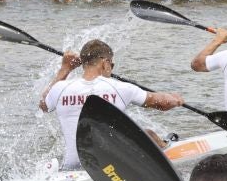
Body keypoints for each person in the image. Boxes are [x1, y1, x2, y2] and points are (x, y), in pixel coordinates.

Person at [39, 39, 183, 169]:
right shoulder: (120, 88)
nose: (111, 69)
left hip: (72, 165)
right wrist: (175, 99)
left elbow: (44, 105)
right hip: (111, 168)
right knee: (148, 134)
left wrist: (65, 69)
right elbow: (161, 103)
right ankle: (166, 146)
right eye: (111, 64)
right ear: (104, 62)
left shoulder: (60, 88)